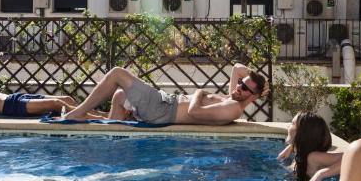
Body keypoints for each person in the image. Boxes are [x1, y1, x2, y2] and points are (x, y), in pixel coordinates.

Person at [60, 63, 268, 125]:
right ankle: (104, 123)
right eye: (240, 83)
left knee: (117, 73)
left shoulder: (232, 108)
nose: (238, 86)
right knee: (120, 97)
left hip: (162, 110)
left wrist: (199, 92)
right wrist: (261, 82)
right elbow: (236, 68)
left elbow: (195, 112)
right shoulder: (232, 98)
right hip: (163, 105)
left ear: (252, 97)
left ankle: (76, 114)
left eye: (243, 87)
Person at [277, 112, 345, 181]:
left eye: (292, 123)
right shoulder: (300, 153)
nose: (288, 126)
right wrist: (293, 145)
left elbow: (351, 158)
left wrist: (322, 173)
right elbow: (281, 158)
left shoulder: (313, 157)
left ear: (302, 132)